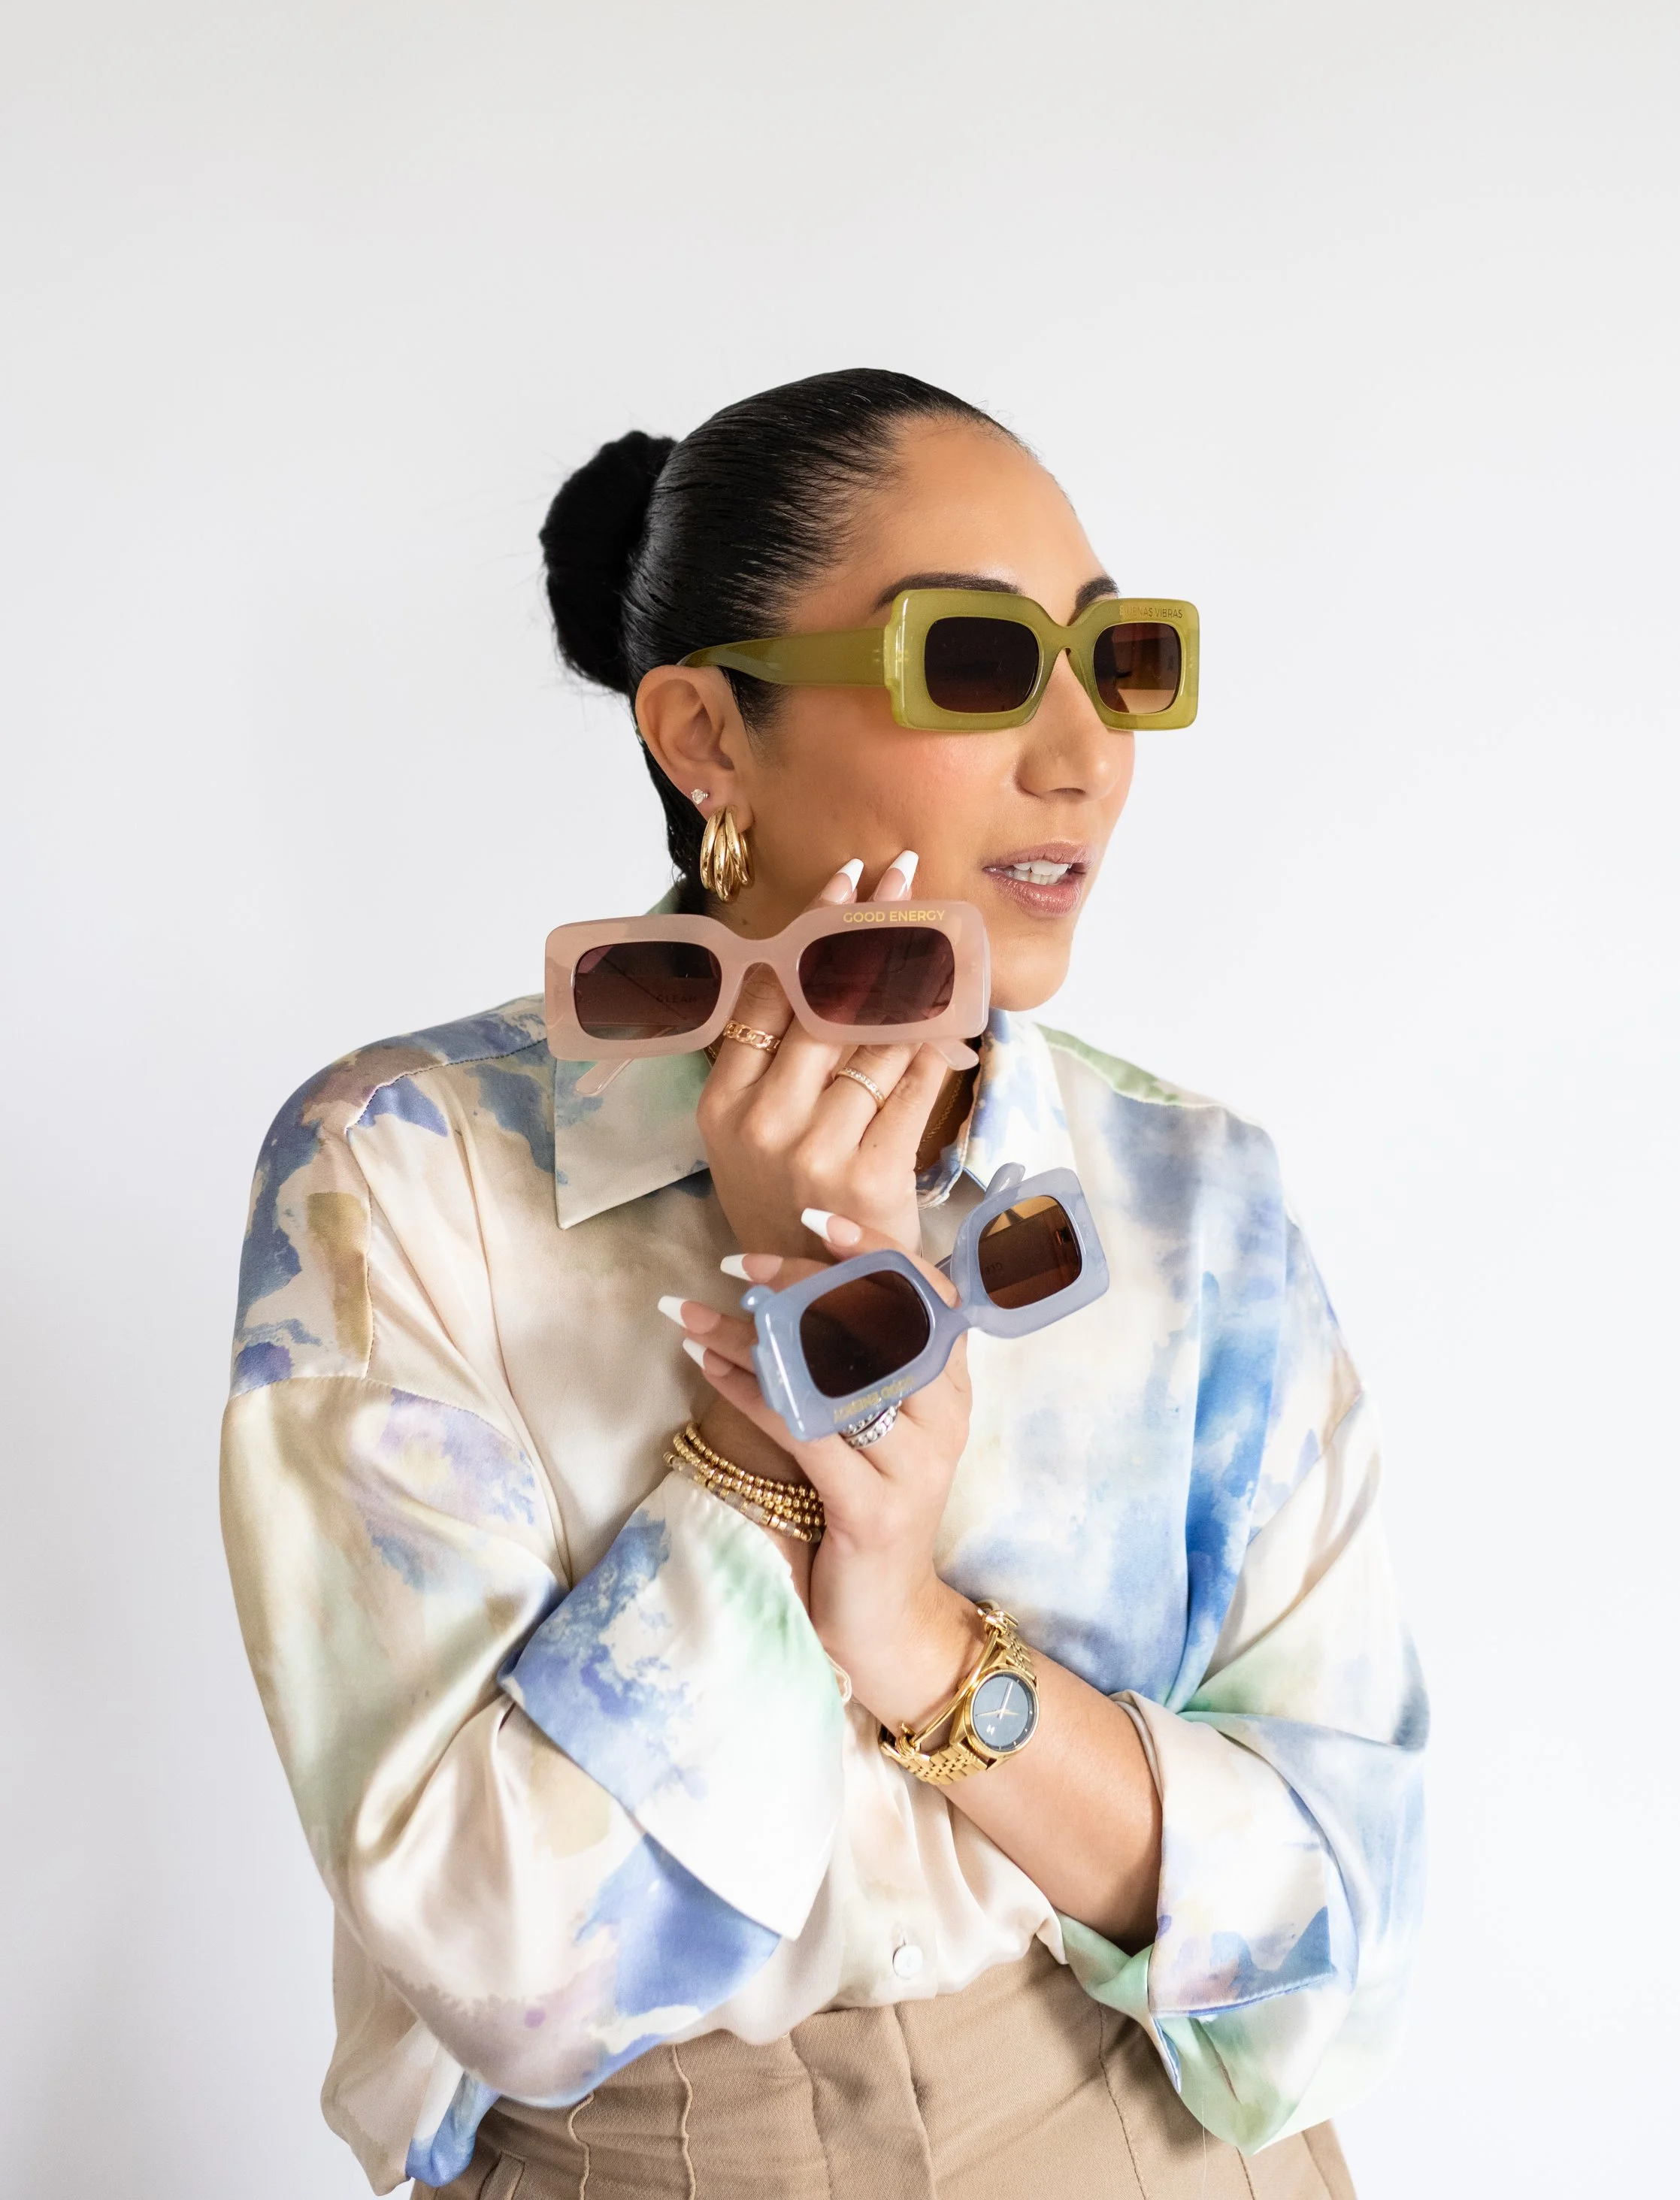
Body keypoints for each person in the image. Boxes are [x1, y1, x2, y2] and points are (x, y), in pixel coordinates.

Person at [221, 369, 1424, 2199]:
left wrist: (924, 1644)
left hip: (1140, 2139)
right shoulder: (404, 1169)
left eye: (1119, 665)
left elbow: (1330, 1924)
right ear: (704, 732)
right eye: (973, 663)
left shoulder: (1190, 1198)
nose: (1082, 752)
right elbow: (517, 1967)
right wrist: (779, 1410)